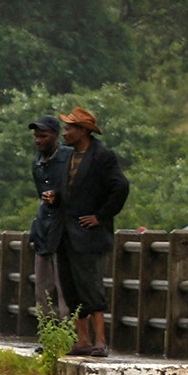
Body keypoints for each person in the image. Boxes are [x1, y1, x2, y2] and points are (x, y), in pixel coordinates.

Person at [55, 106, 129, 358]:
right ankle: (82, 340)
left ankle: (100, 340)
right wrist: (54, 197)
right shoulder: (67, 157)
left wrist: (100, 216)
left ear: (82, 131)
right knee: (71, 288)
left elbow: (120, 187)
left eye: (69, 128)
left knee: (92, 288)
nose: (64, 133)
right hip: (66, 233)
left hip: (89, 235)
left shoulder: (102, 157)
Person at [28, 114, 71, 323]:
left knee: (65, 289)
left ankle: (68, 336)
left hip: (65, 231)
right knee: (43, 290)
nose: (38, 140)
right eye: (36, 136)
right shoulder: (37, 162)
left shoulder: (70, 158)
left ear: (55, 135)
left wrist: (59, 196)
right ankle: (47, 335)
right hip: (44, 229)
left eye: (43, 136)